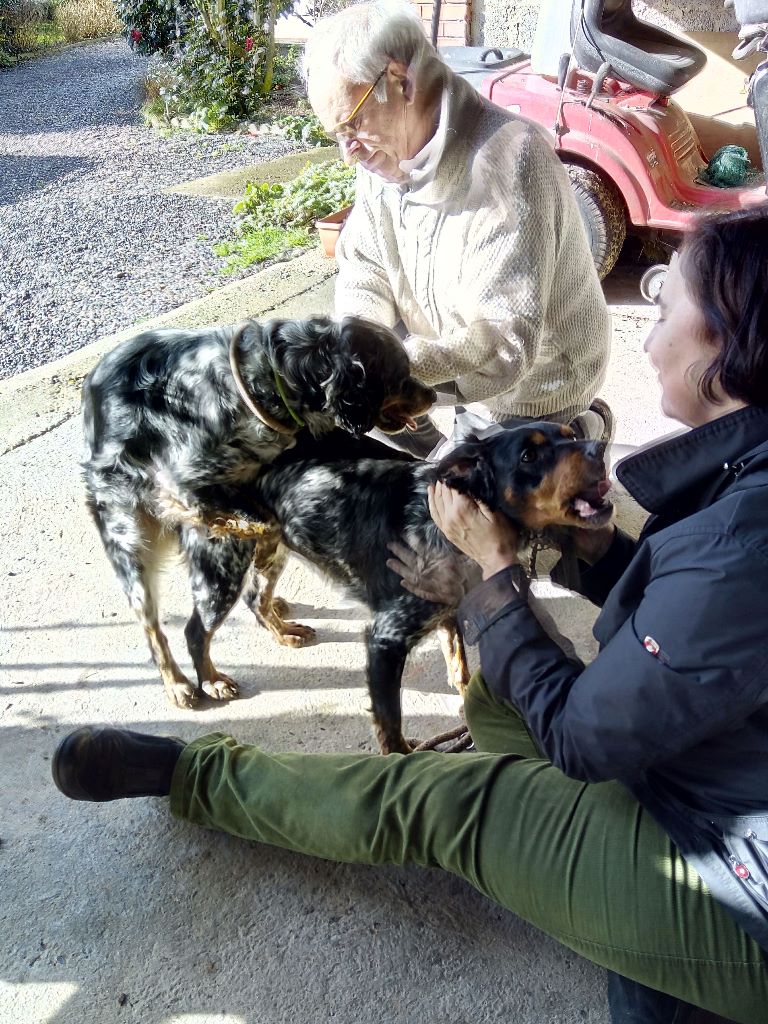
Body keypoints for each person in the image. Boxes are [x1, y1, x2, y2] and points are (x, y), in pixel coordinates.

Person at [53, 208, 768, 1024]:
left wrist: (496, 572)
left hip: (735, 879)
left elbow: (582, 738)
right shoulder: (745, 474)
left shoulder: (747, 539)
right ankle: (597, 896)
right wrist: (584, 549)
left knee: (435, 802)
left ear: (728, 344)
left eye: (665, 303)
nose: (646, 334)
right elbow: (698, 619)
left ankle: (194, 776)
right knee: (503, 683)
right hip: (719, 763)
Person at [302, 1, 612, 455]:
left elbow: (502, 342)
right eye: (336, 134)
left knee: (489, 513)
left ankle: (585, 427)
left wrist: (390, 368)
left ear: (401, 81)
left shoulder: (509, 160)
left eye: (352, 124)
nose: (349, 152)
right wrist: (360, 349)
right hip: (447, 359)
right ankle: (446, 453)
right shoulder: (383, 154)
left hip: (537, 382)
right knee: (399, 442)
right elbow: (365, 266)